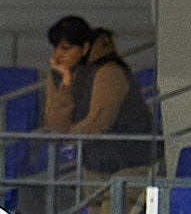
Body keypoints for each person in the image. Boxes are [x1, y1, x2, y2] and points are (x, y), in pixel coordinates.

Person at [40, 18, 156, 176]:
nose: (58, 55)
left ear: (85, 48)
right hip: (95, 164)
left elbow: (97, 123)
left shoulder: (110, 72)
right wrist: (65, 85)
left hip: (132, 165)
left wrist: (66, 137)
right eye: (55, 48)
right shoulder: (60, 75)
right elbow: (55, 124)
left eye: (66, 49)